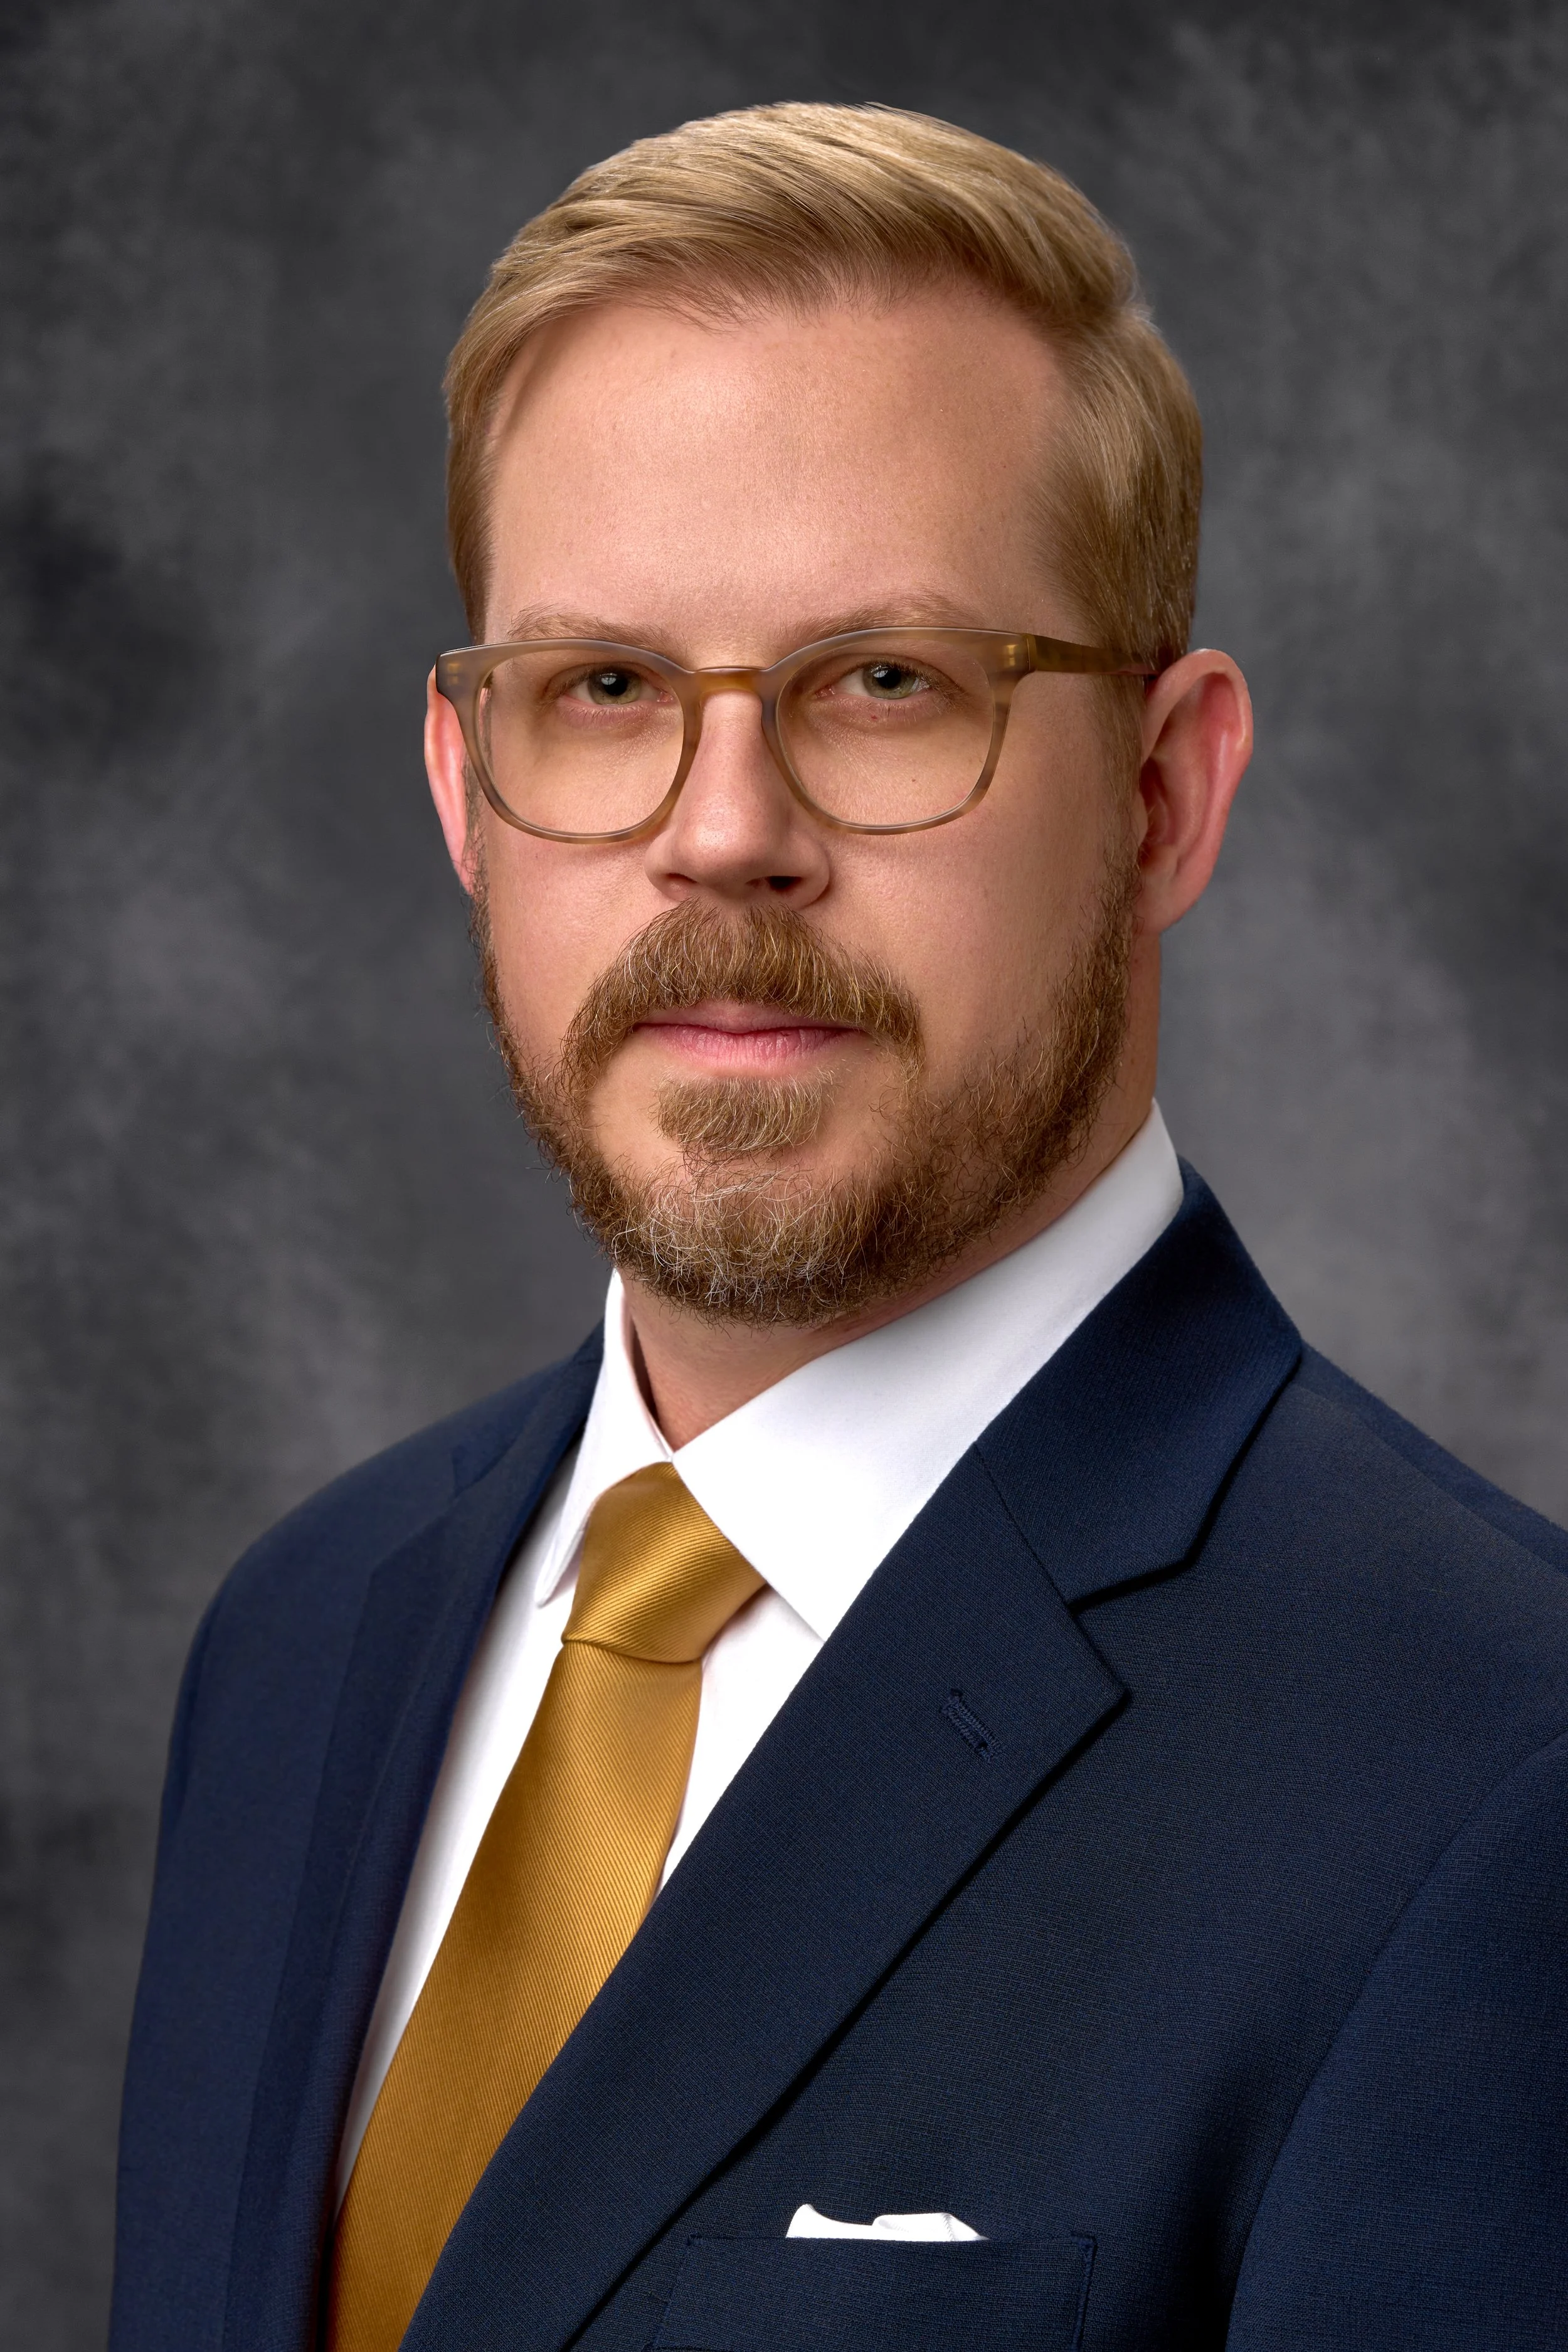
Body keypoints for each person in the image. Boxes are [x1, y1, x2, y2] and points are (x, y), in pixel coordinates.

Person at [112, 103, 1568, 2352]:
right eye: (602, 687)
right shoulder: (304, 1635)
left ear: (1162, 793)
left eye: (886, 682)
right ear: (464, 790)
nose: (724, 833)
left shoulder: (1491, 1775)